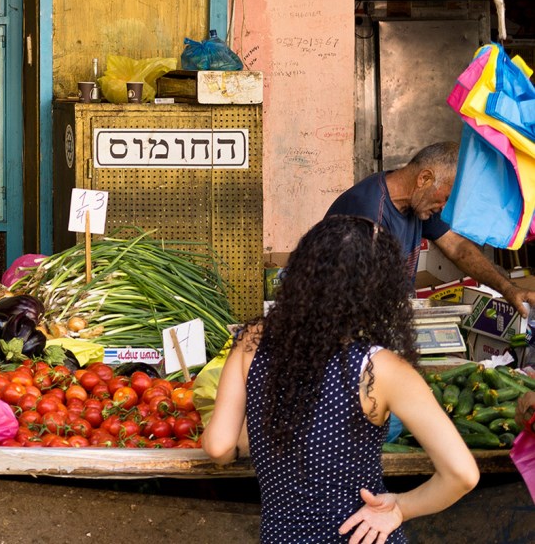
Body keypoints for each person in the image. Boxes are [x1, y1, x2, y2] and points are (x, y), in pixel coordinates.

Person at [202, 215, 479, 542]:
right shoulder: (382, 369)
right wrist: (400, 508)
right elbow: (462, 474)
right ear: (378, 289)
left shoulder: (253, 341)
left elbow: (220, 446)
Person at [327, 141, 535, 315]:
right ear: (425, 179)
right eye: (446, 198)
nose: (445, 207)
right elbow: (357, 299)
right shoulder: (369, 212)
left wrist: (508, 289)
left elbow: (458, 248)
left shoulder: (418, 202)